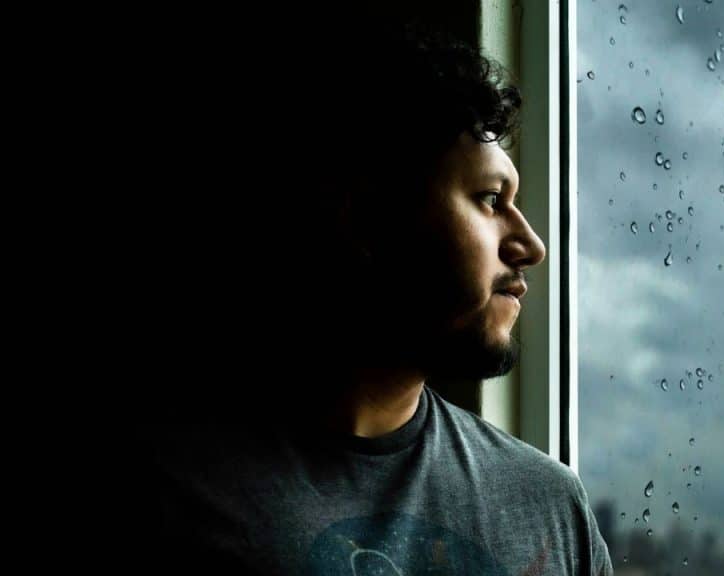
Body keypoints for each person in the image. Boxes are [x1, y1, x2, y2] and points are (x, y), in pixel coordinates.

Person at [140, 19, 614, 575]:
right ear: (367, 217)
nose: (530, 245)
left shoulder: (549, 507)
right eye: (489, 198)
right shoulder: (171, 493)